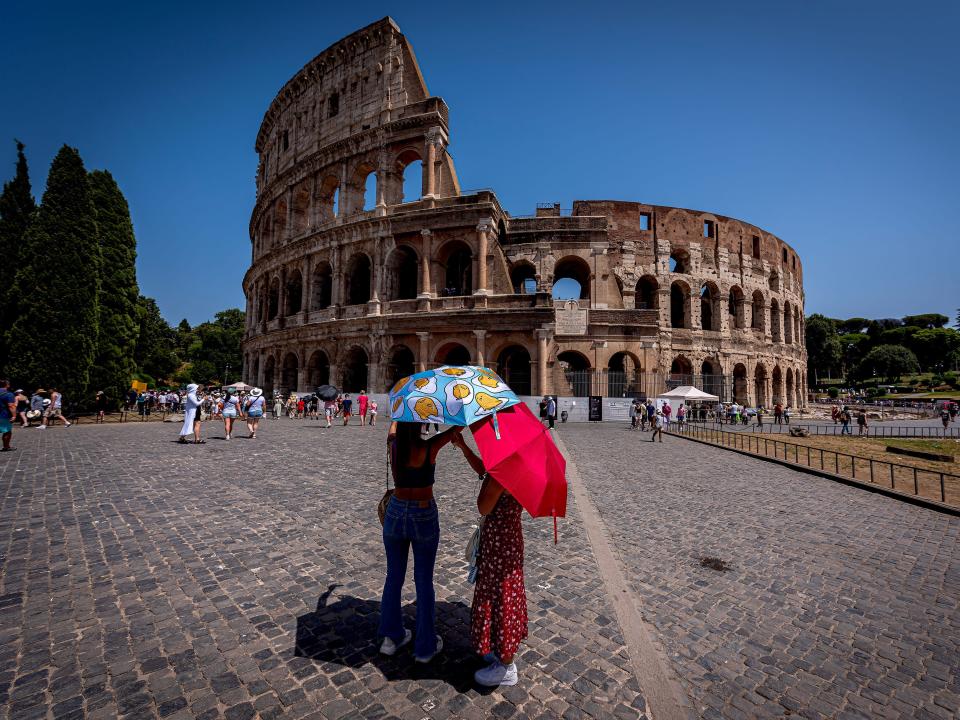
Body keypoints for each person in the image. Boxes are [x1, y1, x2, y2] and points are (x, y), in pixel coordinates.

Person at [379, 421, 463, 663]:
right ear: (419, 427)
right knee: (424, 580)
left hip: (395, 512)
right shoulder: (430, 447)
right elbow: (455, 431)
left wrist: (398, 413)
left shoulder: (393, 445)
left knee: (393, 576)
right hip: (423, 513)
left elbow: (392, 430)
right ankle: (425, 647)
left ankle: (390, 638)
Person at [450, 433, 528, 688]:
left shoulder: (503, 472)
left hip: (500, 545)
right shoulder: (516, 464)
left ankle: (506, 666)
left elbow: (483, 506)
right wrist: (463, 447)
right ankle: (498, 649)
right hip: (507, 540)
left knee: (502, 596)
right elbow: (483, 469)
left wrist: (490, 478)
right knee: (499, 594)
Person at [0, 380, 16, 451]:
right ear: (7, 385)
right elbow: (11, 406)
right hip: (4, 415)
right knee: (7, 431)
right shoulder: (8, 394)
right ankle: (6, 447)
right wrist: (14, 415)